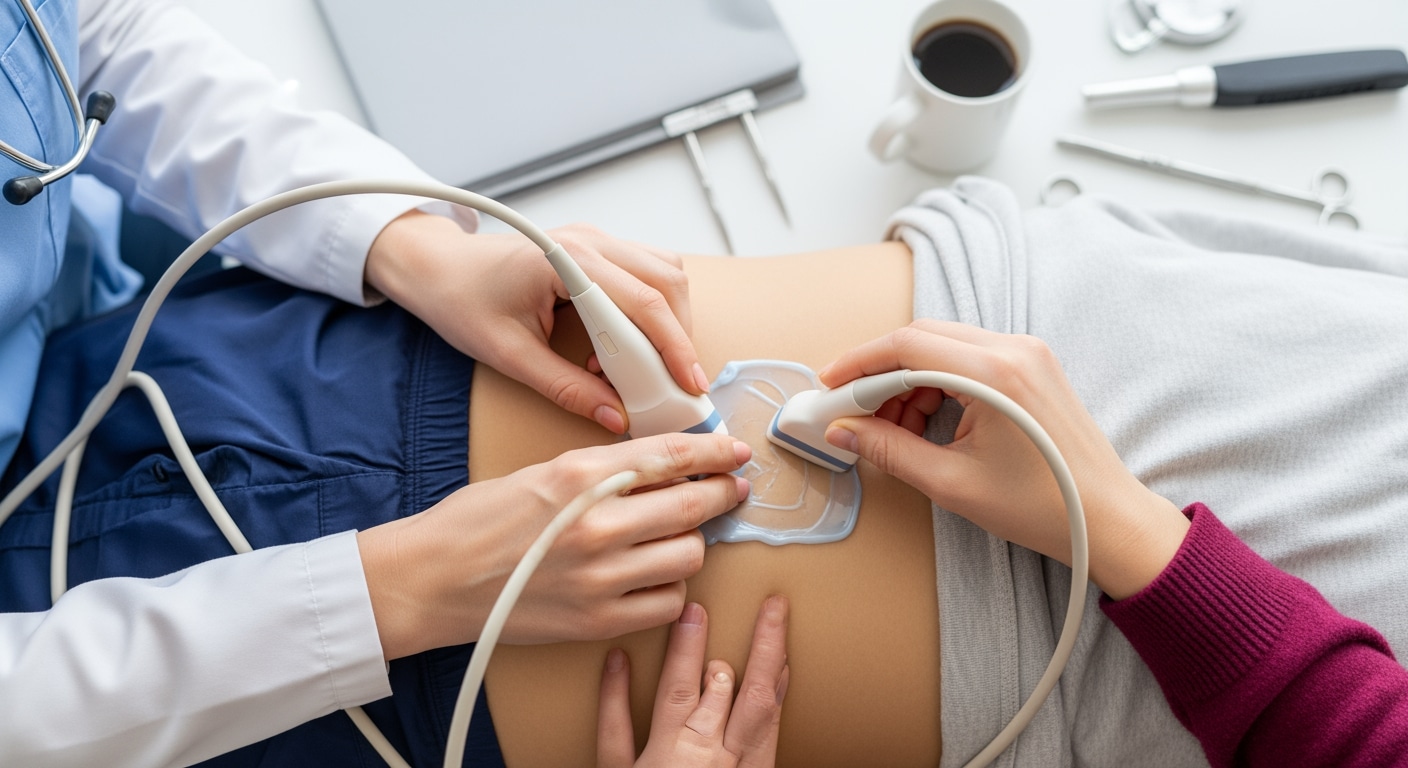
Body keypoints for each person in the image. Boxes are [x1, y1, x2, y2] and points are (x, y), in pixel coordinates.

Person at [1, 0, 769, 764]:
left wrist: (416, 247)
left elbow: (72, 33)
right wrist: (410, 589)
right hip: (159, 677)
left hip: (178, 352)